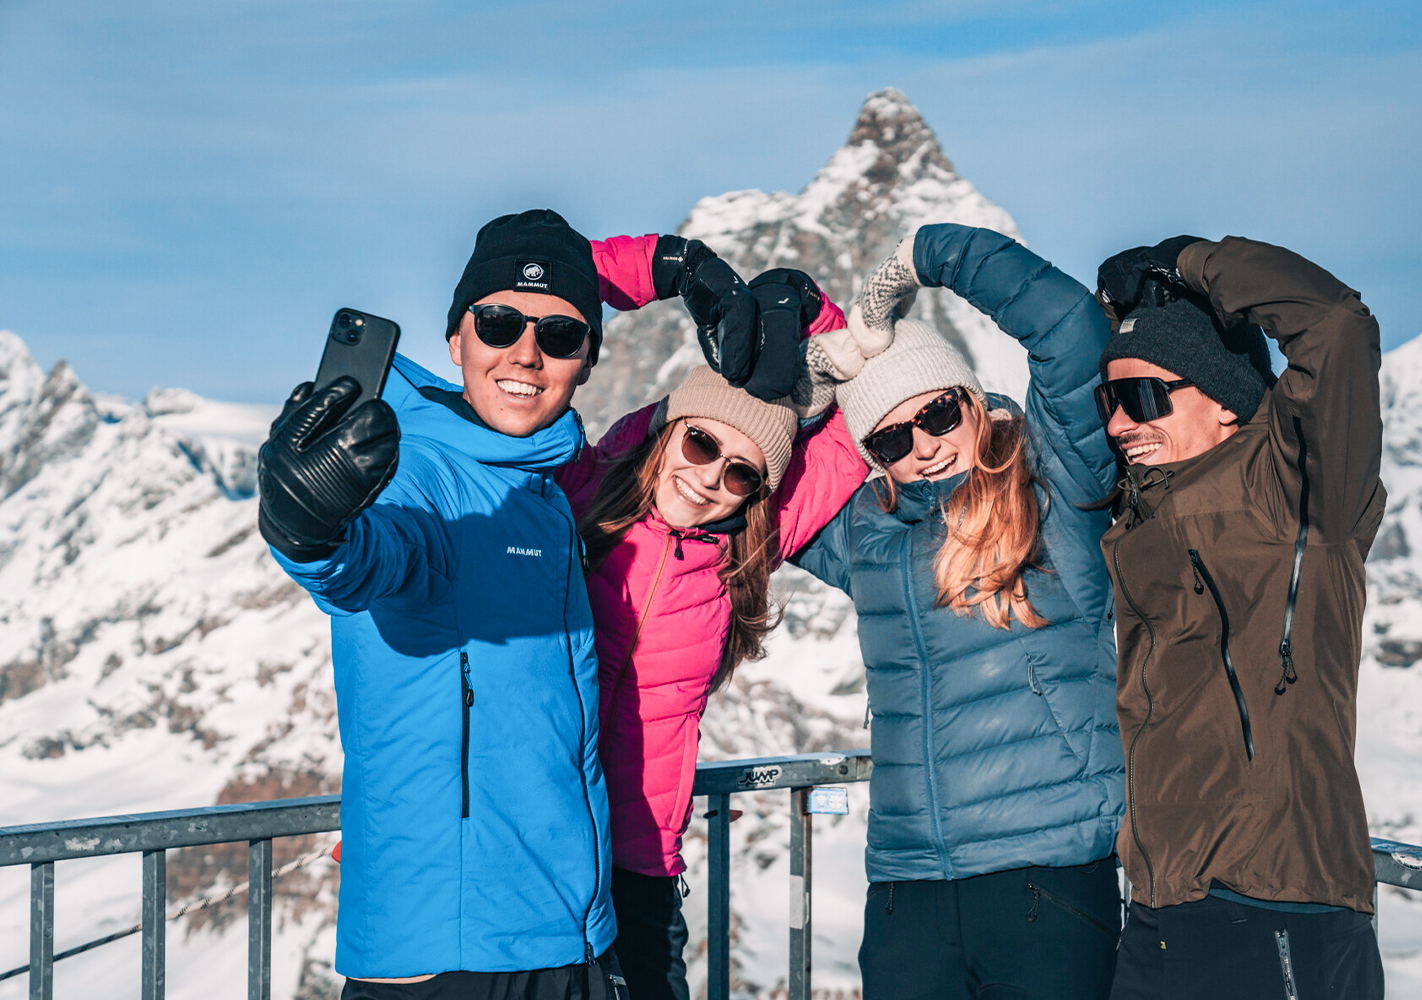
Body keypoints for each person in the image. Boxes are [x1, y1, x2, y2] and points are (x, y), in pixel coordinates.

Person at [258, 209, 787, 999]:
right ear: (456, 341)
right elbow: (365, 561)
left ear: (584, 363)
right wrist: (307, 526)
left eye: (562, 338)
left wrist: (673, 266)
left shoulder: (548, 487)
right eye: (498, 322)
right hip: (453, 958)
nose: (527, 353)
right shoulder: (419, 476)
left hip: (571, 937)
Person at [793, 224, 1125, 1000]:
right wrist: (806, 387)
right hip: (909, 889)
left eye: (940, 414)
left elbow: (1072, 333)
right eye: (892, 437)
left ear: (971, 399)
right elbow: (756, 488)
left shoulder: (1053, 489)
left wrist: (929, 255)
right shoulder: (866, 536)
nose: (926, 446)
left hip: (1047, 878)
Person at [554, 269, 868, 999]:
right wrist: (665, 266)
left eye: (740, 473)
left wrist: (815, 314)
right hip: (536, 841)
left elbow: (859, 418)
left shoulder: (750, 541)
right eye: (698, 444)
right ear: (667, 430)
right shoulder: (583, 491)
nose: (710, 480)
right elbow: (538, 323)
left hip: (637, 865)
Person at [1090, 236, 1386, 998]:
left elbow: (1335, 326)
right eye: (1110, 401)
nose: (1121, 423)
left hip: (1279, 901)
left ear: (1224, 398)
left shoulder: (1298, 488)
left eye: (1145, 398)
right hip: (1161, 909)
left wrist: (1192, 260)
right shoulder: (1137, 523)